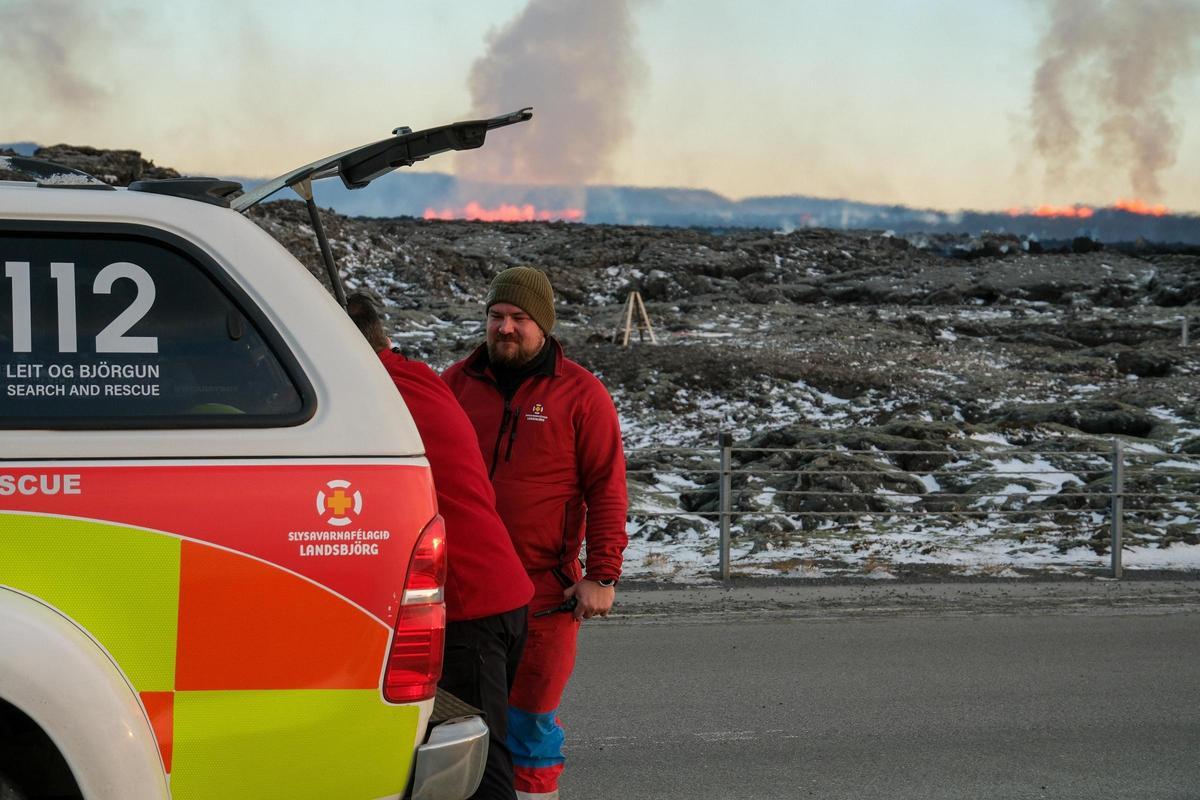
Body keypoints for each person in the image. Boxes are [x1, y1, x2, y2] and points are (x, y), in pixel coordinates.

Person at [442, 267, 628, 800]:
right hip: (467, 587)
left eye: (518, 319)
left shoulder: (581, 394)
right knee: (462, 723)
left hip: (544, 593)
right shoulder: (455, 383)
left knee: (530, 721)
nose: (504, 328)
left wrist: (604, 575)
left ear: (543, 325)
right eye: (496, 316)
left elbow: (607, 488)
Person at [346, 292, 534, 800]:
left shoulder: (373, 394)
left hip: (469, 606)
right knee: (460, 756)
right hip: (502, 593)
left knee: (475, 768)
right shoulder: (420, 377)